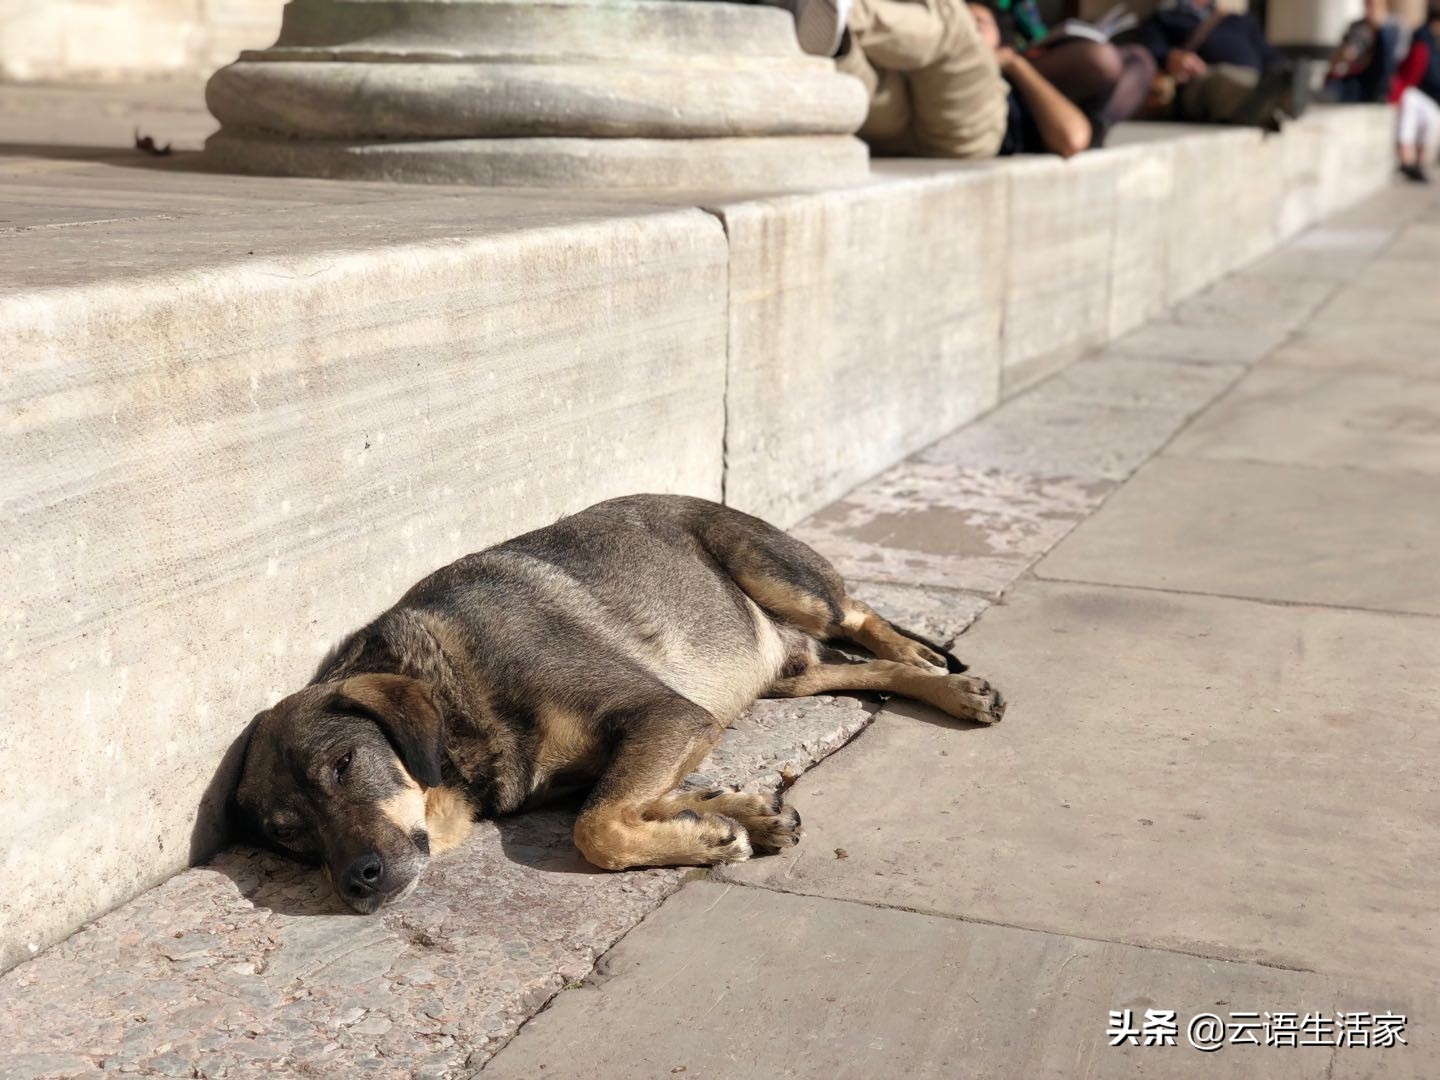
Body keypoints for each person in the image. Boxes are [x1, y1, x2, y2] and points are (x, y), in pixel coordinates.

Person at [969, 0, 1158, 143]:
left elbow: (1038, 35)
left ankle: (1091, 126)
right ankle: (1083, 129)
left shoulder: (1022, 5)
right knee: (1099, 59)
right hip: (1009, 68)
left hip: (1030, 56)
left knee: (1139, 58)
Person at [1135, 0, 1299, 128]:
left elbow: (1270, 56)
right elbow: (1148, 50)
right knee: (1223, 78)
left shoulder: (1239, 20)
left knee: (1263, 79)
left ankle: (1277, 96)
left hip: (1252, 76)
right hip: (1197, 83)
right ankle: (1264, 102)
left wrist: (1285, 70)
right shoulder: (1165, 18)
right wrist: (1170, 57)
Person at [1390, 2, 1440, 181]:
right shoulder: (1423, 39)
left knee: (1431, 117)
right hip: (1414, 92)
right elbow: (1414, 72)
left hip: (1428, 97)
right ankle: (1407, 160)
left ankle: (1419, 163)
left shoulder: (1433, 42)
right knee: (1411, 106)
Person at [1325, 0, 1408, 104]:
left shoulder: (1396, 25)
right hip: (1359, 74)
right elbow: (1340, 56)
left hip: (1383, 76)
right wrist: (1346, 54)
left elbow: (1398, 57)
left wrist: (1378, 29)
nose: (1369, 8)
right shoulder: (1356, 26)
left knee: (1386, 34)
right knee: (1336, 84)